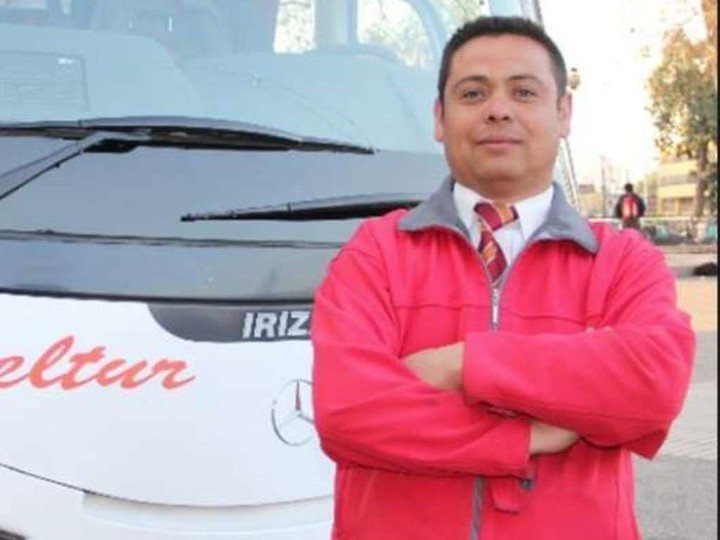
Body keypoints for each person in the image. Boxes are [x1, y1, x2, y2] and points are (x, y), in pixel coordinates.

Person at [311, 16, 694, 540]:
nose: (498, 109)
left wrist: (464, 364)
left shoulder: (623, 261)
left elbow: (653, 384)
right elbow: (348, 410)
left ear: (563, 113)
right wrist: (526, 434)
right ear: (439, 118)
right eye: (473, 93)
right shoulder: (376, 252)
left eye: (524, 91)